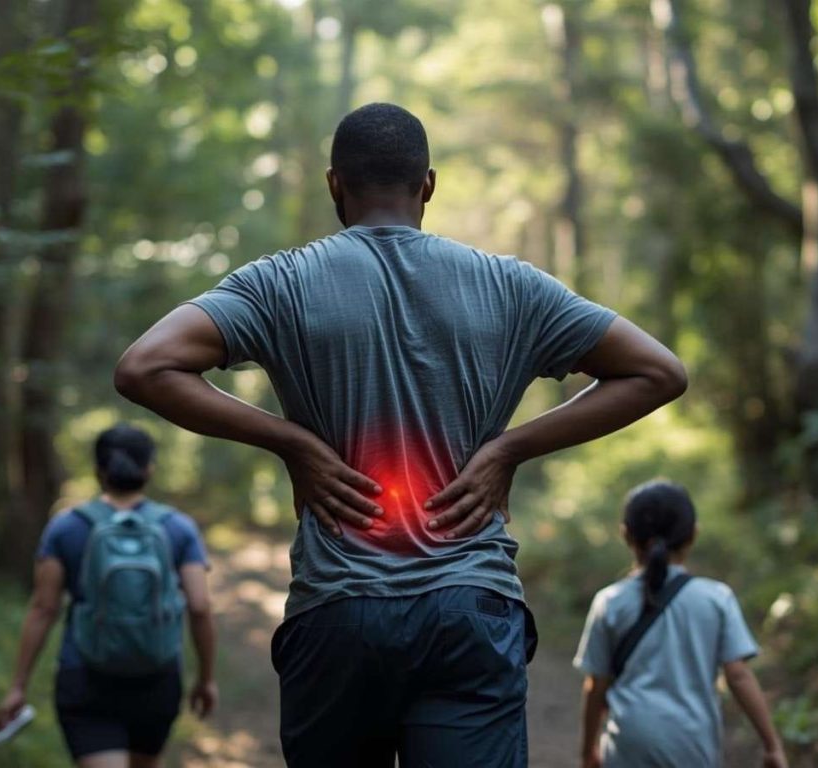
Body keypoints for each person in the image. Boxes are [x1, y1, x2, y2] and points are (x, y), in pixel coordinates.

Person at [114, 102, 687, 767]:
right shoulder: (512, 286)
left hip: (336, 610)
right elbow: (658, 371)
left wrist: (291, 442)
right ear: (428, 186)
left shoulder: (280, 282)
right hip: (470, 605)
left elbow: (145, 366)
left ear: (335, 185)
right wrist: (510, 448)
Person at [0, 424, 217, 768]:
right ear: (149, 469)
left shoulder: (66, 527)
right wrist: (205, 679)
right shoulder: (178, 527)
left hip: (84, 676)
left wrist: (18, 686)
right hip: (156, 677)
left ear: (98, 471)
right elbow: (200, 607)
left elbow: (43, 608)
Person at [574, 480, 787, 768]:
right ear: (693, 534)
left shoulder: (610, 601)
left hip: (629, 741)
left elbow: (596, 685)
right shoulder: (716, 598)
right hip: (692, 741)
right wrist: (771, 745)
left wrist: (588, 750)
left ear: (626, 535)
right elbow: (738, 676)